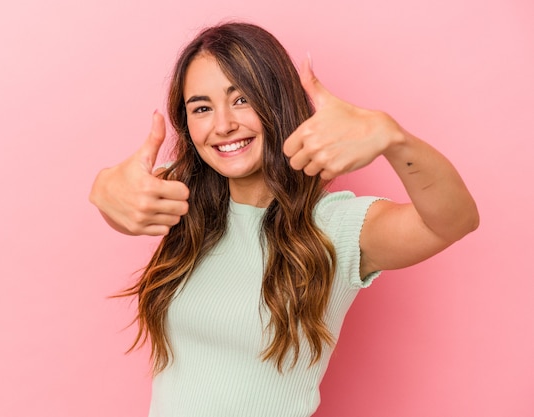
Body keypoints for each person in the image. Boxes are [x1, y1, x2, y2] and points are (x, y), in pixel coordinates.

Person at [89, 22, 479, 417]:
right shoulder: (183, 201)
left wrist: (394, 138)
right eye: (202, 108)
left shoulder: (333, 227)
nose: (223, 125)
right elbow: (117, 202)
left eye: (241, 99)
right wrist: (104, 186)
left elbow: (453, 221)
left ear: (278, 102)